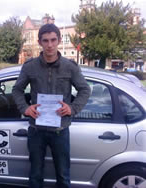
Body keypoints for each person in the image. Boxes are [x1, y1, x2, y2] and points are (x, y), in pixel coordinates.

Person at [12, 23, 91, 188]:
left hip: (60, 131)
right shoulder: (30, 67)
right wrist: (25, 108)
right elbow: (17, 90)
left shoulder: (70, 67)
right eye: (45, 40)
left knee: (63, 175)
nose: (50, 45)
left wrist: (72, 108)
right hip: (36, 130)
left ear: (59, 40)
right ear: (40, 42)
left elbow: (85, 90)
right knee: (35, 175)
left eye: (53, 40)